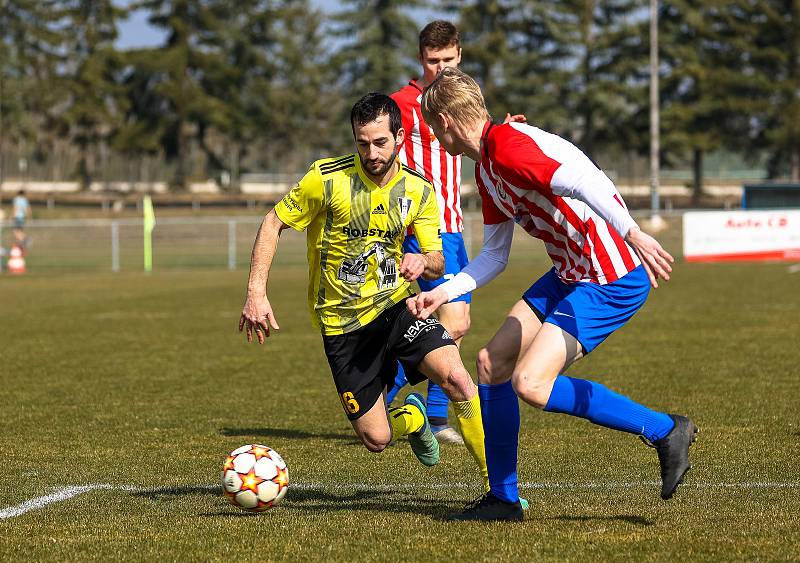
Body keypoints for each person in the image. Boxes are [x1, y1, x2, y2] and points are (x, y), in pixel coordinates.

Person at [407, 68, 698, 521]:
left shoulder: (507, 147)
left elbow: (584, 179)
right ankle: (503, 500)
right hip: (569, 272)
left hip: (610, 276)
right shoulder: (487, 168)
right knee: (491, 363)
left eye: (431, 126)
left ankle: (664, 430)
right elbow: (495, 257)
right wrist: (443, 292)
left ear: (444, 120)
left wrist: (633, 232)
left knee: (531, 383)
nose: (433, 137)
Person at [239, 92, 490, 497]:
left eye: (380, 142)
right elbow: (273, 222)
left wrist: (422, 263)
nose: (371, 152)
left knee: (460, 380)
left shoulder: (419, 190)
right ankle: (411, 417)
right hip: (342, 325)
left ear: (400, 137)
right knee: (376, 438)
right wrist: (256, 293)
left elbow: (438, 258)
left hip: (396, 307)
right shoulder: (327, 178)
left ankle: (498, 490)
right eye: (362, 142)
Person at [389, 21, 524, 444]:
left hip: (454, 226)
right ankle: (389, 399)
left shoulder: (462, 97)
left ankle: (425, 410)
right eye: (432, 61)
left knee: (454, 322)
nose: (441, 68)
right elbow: (372, 146)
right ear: (420, 59)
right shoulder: (403, 104)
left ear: (459, 55)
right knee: (455, 317)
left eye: (448, 59)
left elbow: (480, 136)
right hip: (422, 229)